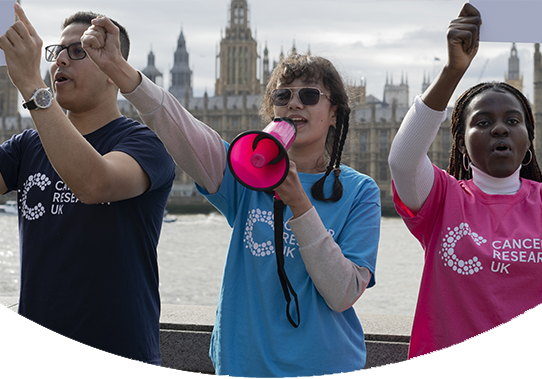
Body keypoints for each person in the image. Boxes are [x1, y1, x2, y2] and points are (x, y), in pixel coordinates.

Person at [82, 15, 381, 377]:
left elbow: (343, 293)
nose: (294, 104)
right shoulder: (244, 177)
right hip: (242, 368)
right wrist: (118, 67)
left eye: (309, 95)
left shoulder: (359, 192)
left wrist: (298, 202)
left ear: (334, 113)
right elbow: (178, 125)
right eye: (282, 96)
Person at [0, 4, 175, 377]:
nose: (61, 59)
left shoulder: (147, 145)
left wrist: (32, 86)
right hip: (32, 366)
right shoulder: (27, 147)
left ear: (113, 71)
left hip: (118, 366)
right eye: (57, 51)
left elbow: (95, 184)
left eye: (78, 51)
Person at [389, 2, 542, 377]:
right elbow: (403, 161)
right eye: (483, 122)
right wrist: (452, 70)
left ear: (528, 137)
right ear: (459, 142)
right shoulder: (443, 199)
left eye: (512, 120)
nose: (500, 129)